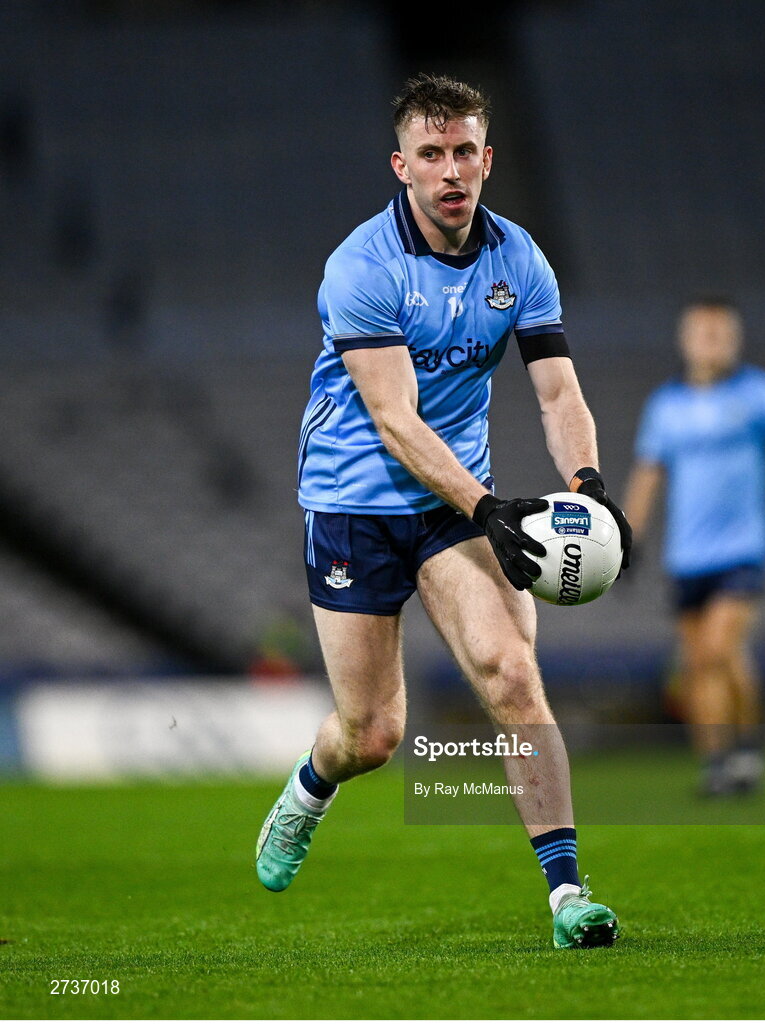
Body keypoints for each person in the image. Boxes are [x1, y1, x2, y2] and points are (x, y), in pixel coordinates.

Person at [254, 74, 632, 949]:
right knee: (374, 734)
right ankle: (310, 788)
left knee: (510, 673)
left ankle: (568, 895)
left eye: (464, 150)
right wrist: (492, 506)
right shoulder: (361, 266)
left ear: (486, 159)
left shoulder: (519, 259)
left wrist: (586, 482)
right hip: (355, 501)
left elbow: (557, 389)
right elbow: (393, 420)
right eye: (432, 154)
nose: (450, 169)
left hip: (456, 507)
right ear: (402, 166)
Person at [623, 297, 765, 796]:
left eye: (721, 333)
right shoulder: (666, 406)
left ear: (735, 339)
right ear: (685, 339)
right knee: (704, 664)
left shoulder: (761, 394)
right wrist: (631, 538)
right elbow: (647, 476)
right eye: (702, 332)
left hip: (744, 549)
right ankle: (721, 761)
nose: (711, 341)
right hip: (686, 557)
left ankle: (745, 751)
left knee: (716, 650)